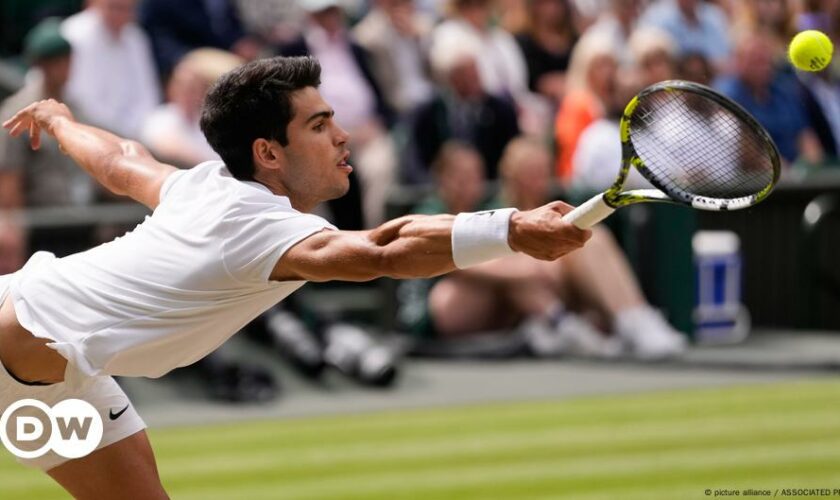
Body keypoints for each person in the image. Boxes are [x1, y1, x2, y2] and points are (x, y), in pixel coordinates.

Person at [0, 55, 591, 497]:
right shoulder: (255, 226)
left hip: (53, 381)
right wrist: (509, 228)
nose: (342, 136)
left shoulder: (204, 187)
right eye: (318, 125)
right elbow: (385, 249)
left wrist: (56, 119)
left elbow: (120, 160)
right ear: (269, 153)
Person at [0, 18, 95, 209]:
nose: (65, 67)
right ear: (41, 64)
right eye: (56, 61)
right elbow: (9, 175)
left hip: (83, 215)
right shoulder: (18, 110)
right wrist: (12, 222)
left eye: (68, 59)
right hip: (41, 223)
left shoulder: (75, 107)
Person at [61, 0, 161, 139]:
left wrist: (132, 131)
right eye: (114, 7)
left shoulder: (136, 38)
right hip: (86, 129)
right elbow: (79, 97)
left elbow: (147, 94)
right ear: (95, 3)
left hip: (134, 132)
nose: (120, 15)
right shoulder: (76, 34)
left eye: (127, 9)